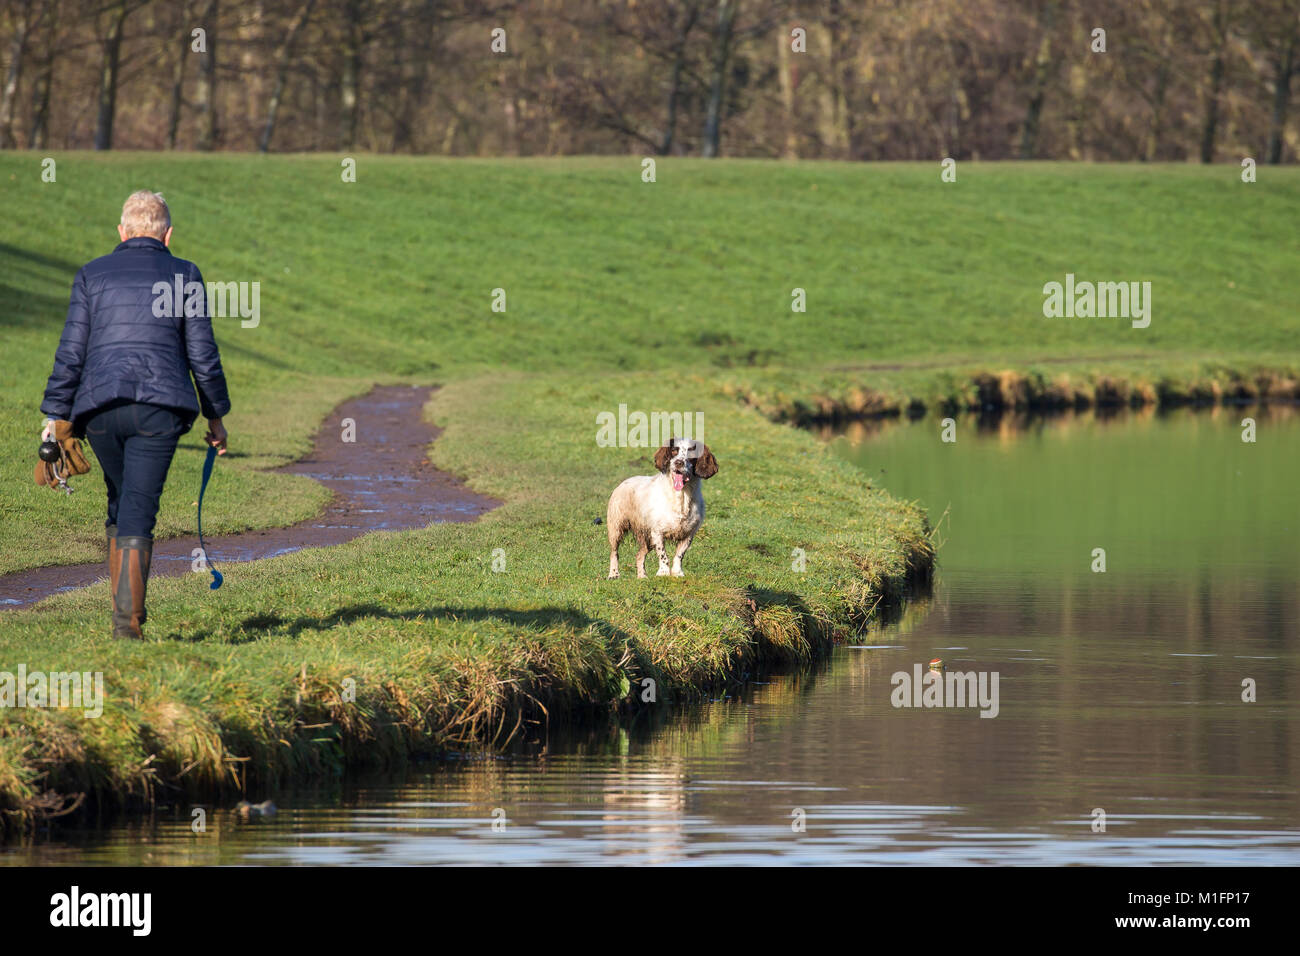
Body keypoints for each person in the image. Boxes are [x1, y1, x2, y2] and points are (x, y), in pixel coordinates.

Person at [40, 190, 231, 639]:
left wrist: (54, 415)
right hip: (160, 410)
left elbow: (71, 352)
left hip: (100, 410)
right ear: (168, 235)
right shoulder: (185, 273)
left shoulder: (92, 274)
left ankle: (123, 619)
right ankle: (126, 628)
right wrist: (215, 415)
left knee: (120, 502)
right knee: (138, 510)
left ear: (122, 232)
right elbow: (203, 355)